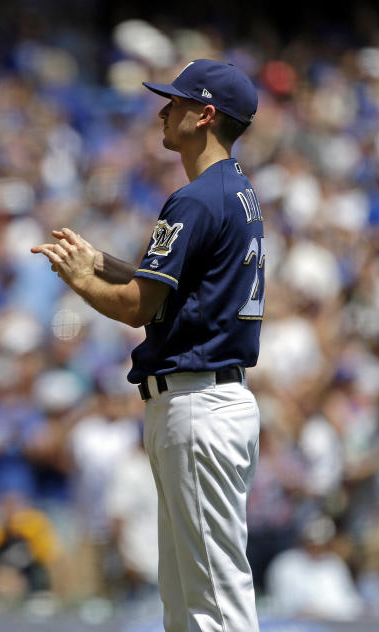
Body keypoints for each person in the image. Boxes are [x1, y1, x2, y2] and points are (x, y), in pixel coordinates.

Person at [32, 59, 264, 631]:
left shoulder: (196, 199)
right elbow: (164, 285)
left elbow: (138, 305)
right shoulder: (234, 192)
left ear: (205, 115)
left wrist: (77, 277)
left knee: (212, 606)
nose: (164, 110)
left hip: (197, 404)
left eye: (177, 102)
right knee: (188, 605)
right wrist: (102, 263)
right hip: (205, 399)